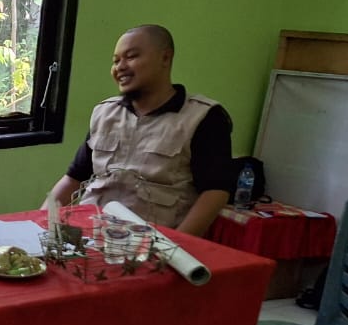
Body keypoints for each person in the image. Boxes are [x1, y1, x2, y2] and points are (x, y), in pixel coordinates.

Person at [44, 24, 233, 236]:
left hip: (154, 244)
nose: (120, 67)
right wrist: (40, 222)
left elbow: (215, 192)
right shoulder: (105, 113)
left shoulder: (202, 117)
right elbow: (73, 178)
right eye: (116, 61)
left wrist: (178, 245)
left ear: (165, 58)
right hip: (90, 236)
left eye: (131, 56)